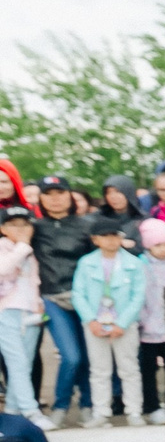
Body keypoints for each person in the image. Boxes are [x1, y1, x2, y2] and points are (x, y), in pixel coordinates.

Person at [71, 216, 146, 428]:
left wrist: (122, 324)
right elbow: (78, 294)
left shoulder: (134, 263)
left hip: (124, 324)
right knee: (99, 370)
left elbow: (138, 296)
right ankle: (101, 412)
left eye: (115, 235)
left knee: (129, 368)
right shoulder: (86, 263)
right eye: (105, 236)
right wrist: (90, 320)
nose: (111, 240)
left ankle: (134, 411)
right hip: (95, 324)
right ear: (95, 239)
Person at [33, 176, 91, 420]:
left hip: (84, 298)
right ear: (41, 199)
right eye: (49, 194)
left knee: (87, 355)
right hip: (52, 298)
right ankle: (61, 405)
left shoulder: (87, 226)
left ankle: (88, 405)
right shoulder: (34, 228)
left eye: (60, 193)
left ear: (70, 196)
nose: (55, 199)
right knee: (71, 356)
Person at [134, 219, 165, 423]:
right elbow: (139, 295)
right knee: (148, 369)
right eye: (158, 245)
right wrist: (141, 319)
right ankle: (151, 405)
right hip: (147, 328)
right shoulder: (140, 265)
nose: (163, 249)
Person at [0, 207, 44, 421]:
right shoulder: (4, 246)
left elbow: (32, 281)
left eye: (25, 224)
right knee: (16, 362)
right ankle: (31, 411)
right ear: (3, 228)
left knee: (25, 364)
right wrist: (21, 247)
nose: (21, 229)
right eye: (14, 224)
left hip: (31, 312)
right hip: (6, 312)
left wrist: (38, 303)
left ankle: (12, 410)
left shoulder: (29, 251)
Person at [96, 177, 147, 251]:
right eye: (108, 192)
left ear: (128, 193)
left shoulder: (144, 219)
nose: (113, 196)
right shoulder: (99, 218)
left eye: (118, 192)